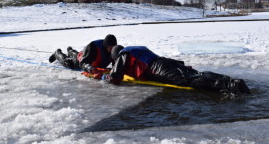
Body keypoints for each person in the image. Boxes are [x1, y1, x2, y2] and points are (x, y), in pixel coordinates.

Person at [101, 45, 250, 96]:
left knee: (188, 81)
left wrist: (106, 77)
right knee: (196, 74)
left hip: (158, 68)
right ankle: (229, 80)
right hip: (165, 61)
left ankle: (231, 86)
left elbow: (115, 77)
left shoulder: (122, 54)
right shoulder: (135, 48)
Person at [49, 34, 117, 73]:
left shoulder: (114, 50)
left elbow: (116, 62)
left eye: (113, 47)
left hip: (85, 54)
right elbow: (82, 63)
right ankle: (57, 53)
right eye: (110, 48)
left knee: (77, 54)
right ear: (105, 46)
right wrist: (89, 68)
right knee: (67, 62)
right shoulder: (94, 48)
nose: (112, 50)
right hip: (80, 60)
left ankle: (70, 50)